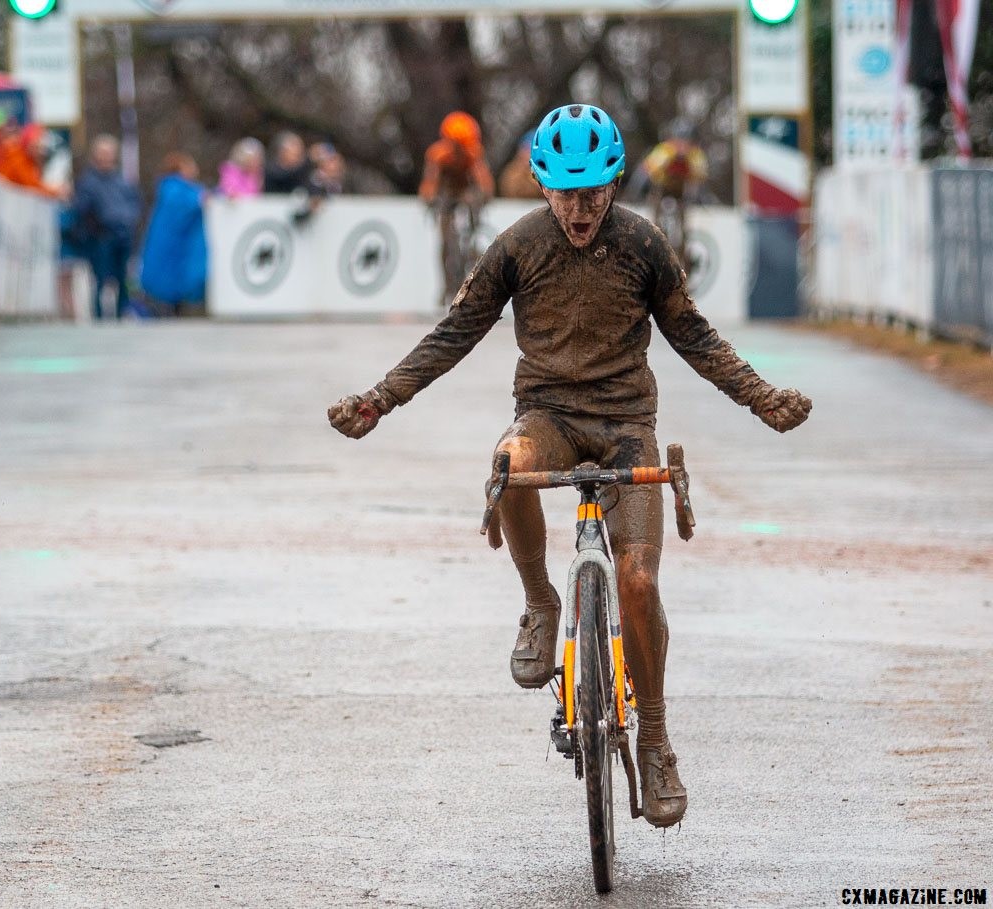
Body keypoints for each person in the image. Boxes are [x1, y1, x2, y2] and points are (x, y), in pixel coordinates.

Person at [327, 103, 812, 830]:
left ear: (615, 181)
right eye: (565, 192)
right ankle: (541, 602)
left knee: (639, 579)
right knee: (506, 460)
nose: (580, 210)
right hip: (547, 416)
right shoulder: (518, 246)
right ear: (541, 185)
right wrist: (379, 400)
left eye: (594, 193)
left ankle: (655, 740)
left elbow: (697, 338)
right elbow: (454, 332)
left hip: (625, 425)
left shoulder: (643, 244)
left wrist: (764, 400)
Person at [419, 111, 495, 304]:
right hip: (446, 194)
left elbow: (483, 180)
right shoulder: (437, 155)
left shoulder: (474, 152)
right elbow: (430, 182)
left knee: (471, 200)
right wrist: (429, 199)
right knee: (445, 239)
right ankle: (446, 285)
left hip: (465, 191)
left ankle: (471, 239)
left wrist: (482, 198)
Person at [71, 135, 142, 320]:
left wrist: (128, 220)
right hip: (101, 236)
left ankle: (121, 314)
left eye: (108, 153)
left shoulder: (122, 180)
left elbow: (134, 202)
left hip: (123, 235)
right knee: (100, 279)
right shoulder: (88, 181)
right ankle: (99, 317)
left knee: (123, 279)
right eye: (102, 153)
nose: (105, 157)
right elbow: (81, 208)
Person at [139, 152, 208, 317]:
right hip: (170, 246)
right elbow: (189, 203)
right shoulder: (172, 188)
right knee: (167, 282)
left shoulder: (178, 188)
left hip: (175, 246)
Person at [633, 121, 708, 266]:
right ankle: (656, 240)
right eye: (679, 141)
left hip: (681, 189)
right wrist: (636, 193)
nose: (682, 146)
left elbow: (699, 181)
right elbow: (645, 171)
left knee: (684, 220)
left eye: (686, 142)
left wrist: (701, 199)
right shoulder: (664, 151)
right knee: (656, 215)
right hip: (662, 186)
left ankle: (683, 252)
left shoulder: (696, 155)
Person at [498, 130, 542, 200]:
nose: (526, 155)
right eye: (525, 150)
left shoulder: (547, 171)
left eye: (529, 151)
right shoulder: (512, 171)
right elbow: (509, 190)